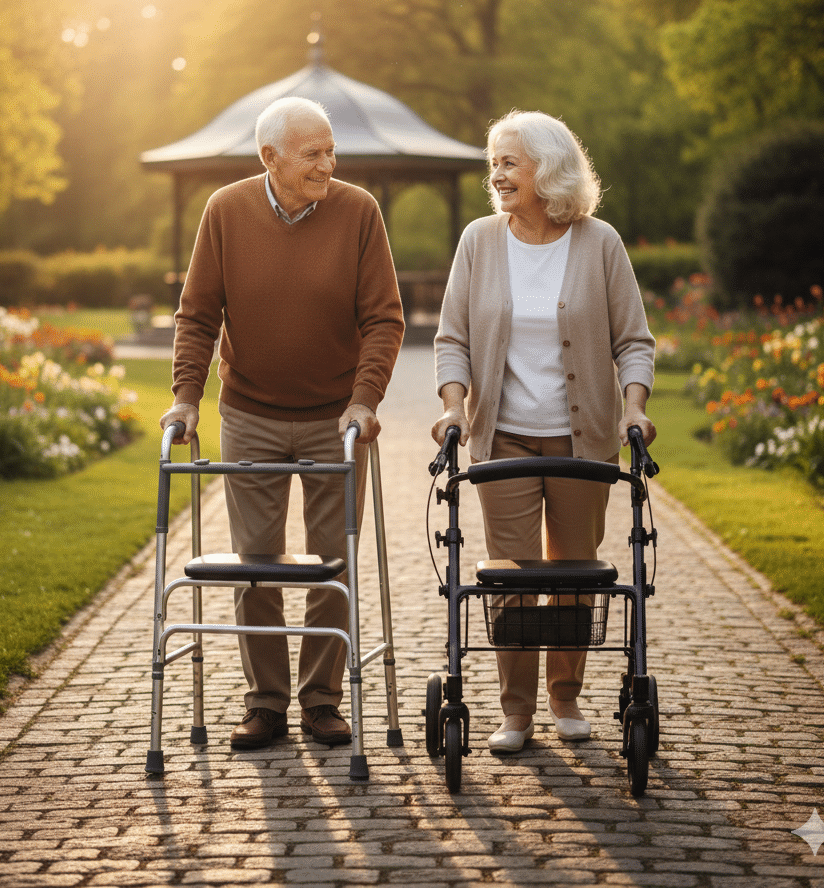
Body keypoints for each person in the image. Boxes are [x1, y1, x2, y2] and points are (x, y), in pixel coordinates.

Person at [160, 96, 404, 750]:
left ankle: (322, 699)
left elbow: (384, 317)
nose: (329, 163)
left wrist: (365, 400)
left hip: (337, 418)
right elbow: (198, 313)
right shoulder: (225, 211)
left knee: (333, 563)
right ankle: (264, 703)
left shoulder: (358, 212)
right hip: (251, 413)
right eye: (313, 153)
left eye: (331, 151)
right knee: (256, 563)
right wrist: (186, 397)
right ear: (269, 158)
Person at [432, 109, 656, 753]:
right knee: (511, 575)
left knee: (575, 573)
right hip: (501, 439)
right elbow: (453, 340)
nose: (496, 175)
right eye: (493, 163)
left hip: (581, 440)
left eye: (510, 163)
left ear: (548, 170)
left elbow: (632, 342)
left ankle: (565, 696)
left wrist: (633, 408)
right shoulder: (478, 241)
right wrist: (454, 407)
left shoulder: (599, 243)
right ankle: (515, 712)